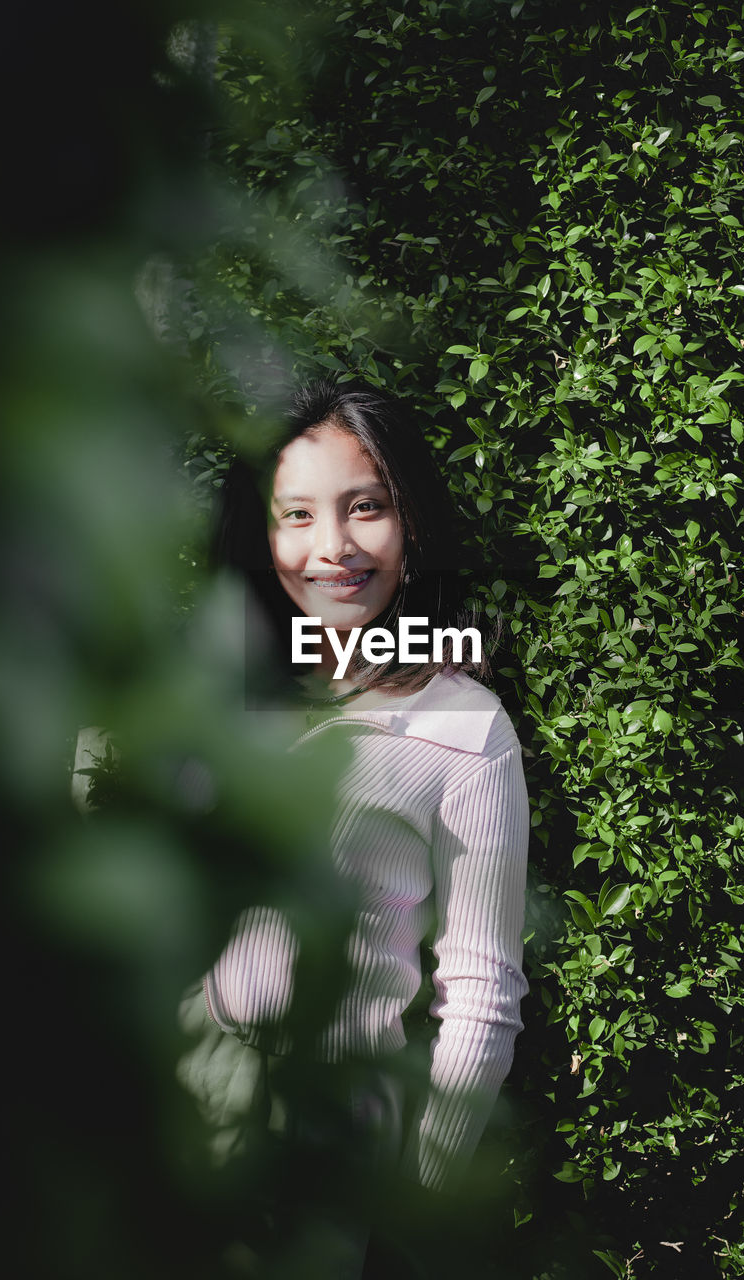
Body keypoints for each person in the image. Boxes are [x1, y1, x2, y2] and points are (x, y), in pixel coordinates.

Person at [178, 379, 529, 1278]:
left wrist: (412, 1204)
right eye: (294, 514)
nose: (331, 548)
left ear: (407, 520)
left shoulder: (465, 725)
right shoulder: (214, 691)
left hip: (327, 1133)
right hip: (175, 1093)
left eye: (364, 507)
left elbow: (480, 994)